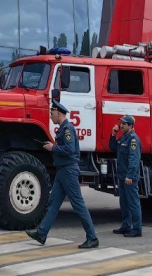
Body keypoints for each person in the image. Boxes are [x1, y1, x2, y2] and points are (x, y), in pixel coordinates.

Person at [25, 100, 99, 249]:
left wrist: (53, 148)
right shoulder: (62, 129)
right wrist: (53, 147)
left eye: (52, 113)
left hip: (68, 170)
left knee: (78, 204)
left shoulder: (67, 129)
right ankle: (42, 233)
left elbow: (70, 150)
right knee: (53, 203)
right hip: (62, 170)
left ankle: (92, 238)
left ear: (58, 113)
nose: (50, 115)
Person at [109, 114, 143, 237]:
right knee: (124, 203)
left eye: (124, 124)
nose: (121, 125)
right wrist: (113, 135)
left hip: (129, 178)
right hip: (122, 176)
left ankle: (137, 229)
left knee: (133, 203)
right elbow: (113, 147)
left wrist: (130, 176)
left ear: (130, 126)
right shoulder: (123, 138)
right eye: (121, 123)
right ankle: (126, 226)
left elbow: (134, 159)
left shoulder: (133, 140)